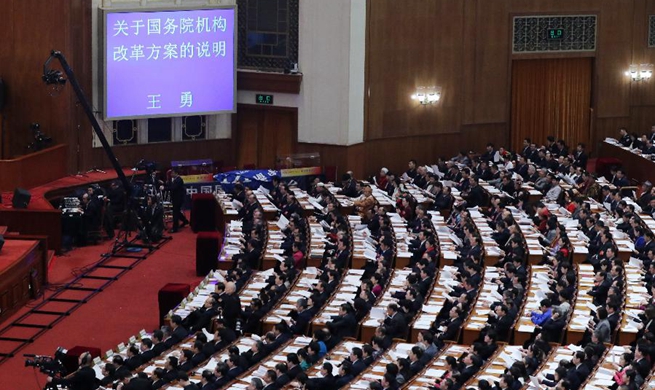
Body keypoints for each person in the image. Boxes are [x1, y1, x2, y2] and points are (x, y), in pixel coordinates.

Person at [162, 168, 188, 233]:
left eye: (172, 173)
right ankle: (185, 220)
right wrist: (164, 184)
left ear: (176, 173)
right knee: (176, 211)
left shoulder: (179, 180)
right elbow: (170, 185)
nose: (171, 174)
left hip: (178, 199)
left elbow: (173, 188)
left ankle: (175, 228)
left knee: (175, 213)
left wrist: (164, 188)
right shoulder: (175, 180)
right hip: (175, 199)